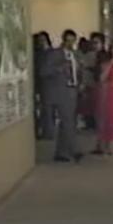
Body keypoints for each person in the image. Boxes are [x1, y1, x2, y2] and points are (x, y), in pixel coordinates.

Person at [38, 29, 84, 163]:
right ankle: (72, 151)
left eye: (73, 41)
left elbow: (80, 70)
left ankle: (62, 152)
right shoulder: (54, 54)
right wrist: (58, 68)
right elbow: (43, 71)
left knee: (69, 122)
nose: (70, 43)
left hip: (73, 90)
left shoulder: (76, 54)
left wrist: (81, 83)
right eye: (68, 40)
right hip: (60, 91)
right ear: (63, 40)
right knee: (68, 121)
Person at [33, 31, 53, 140]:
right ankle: (40, 131)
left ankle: (48, 132)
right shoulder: (36, 53)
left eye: (43, 40)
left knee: (47, 109)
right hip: (38, 83)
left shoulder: (52, 53)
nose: (41, 42)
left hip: (49, 85)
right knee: (39, 109)